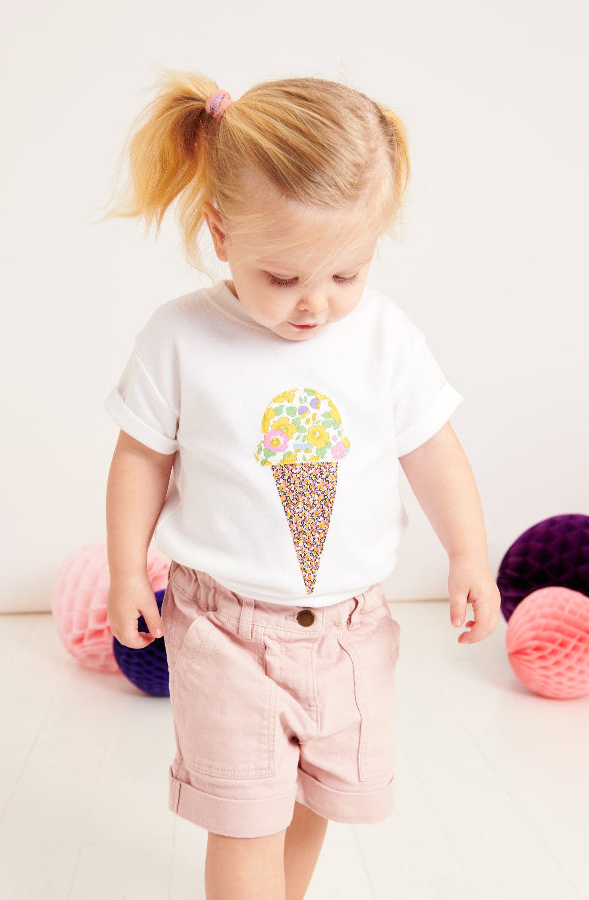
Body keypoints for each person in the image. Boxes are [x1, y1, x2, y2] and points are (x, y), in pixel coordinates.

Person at [103, 70, 501, 900]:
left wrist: (469, 554)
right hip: (224, 630)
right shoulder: (182, 337)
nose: (315, 304)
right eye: (283, 278)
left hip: (351, 632)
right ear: (221, 233)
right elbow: (141, 458)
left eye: (346, 274)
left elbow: (432, 448)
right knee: (244, 817)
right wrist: (126, 569)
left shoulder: (384, 337)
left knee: (314, 799)